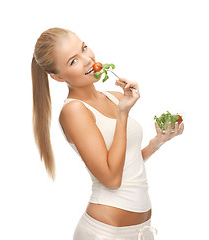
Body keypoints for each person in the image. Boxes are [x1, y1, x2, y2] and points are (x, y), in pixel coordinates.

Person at [31, 27, 184, 240]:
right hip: (106, 233)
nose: (87, 60)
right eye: (73, 61)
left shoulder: (113, 97)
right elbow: (111, 179)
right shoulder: (74, 111)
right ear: (57, 77)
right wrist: (122, 115)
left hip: (142, 231)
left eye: (84, 48)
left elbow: (127, 165)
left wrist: (156, 143)